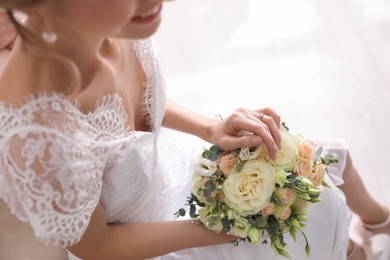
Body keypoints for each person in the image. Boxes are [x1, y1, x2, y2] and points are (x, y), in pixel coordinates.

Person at [0, 1, 388, 259]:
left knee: (312, 182)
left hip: (175, 169)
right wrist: (221, 227)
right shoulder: (37, 133)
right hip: (147, 240)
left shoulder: (116, 20)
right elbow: (96, 246)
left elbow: (133, 106)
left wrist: (210, 128)